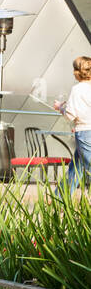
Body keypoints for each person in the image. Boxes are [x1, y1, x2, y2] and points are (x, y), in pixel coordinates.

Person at [55, 55, 91, 192]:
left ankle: (59, 200)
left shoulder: (77, 89)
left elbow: (70, 115)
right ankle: (59, 199)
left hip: (85, 132)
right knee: (75, 169)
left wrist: (60, 107)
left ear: (77, 72)